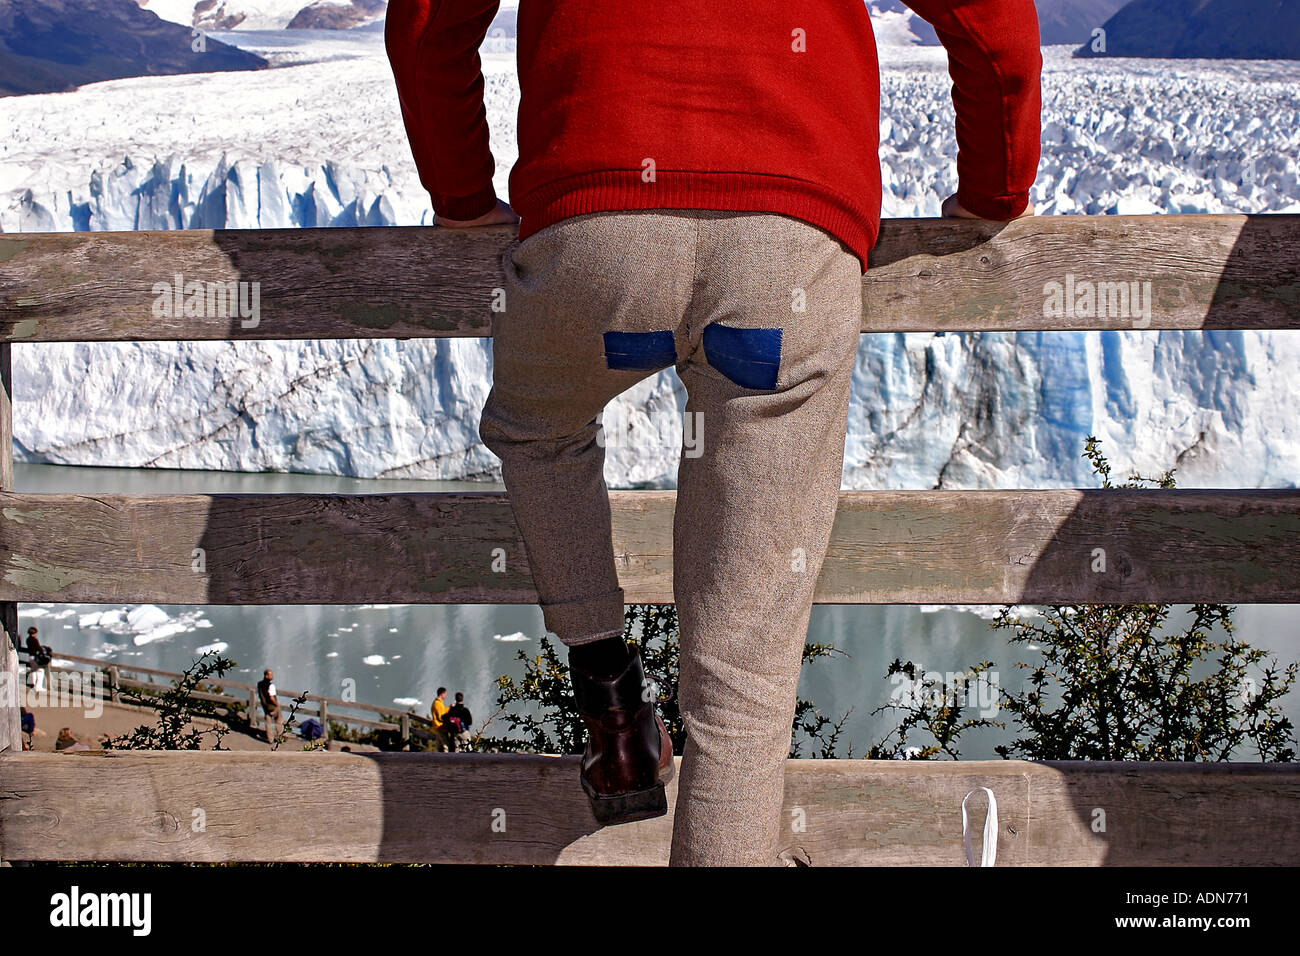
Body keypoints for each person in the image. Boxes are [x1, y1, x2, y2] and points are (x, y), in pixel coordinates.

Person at [386, 0, 1040, 865]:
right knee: (744, 675)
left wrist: (461, 193)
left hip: (595, 234)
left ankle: (610, 695)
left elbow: (429, 20)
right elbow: (991, 18)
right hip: (787, 250)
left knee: (537, 428)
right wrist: (995, 186)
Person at [256, 669, 282, 743]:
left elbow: (261, 695)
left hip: (265, 706)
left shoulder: (260, 684)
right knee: (279, 721)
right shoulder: (271, 686)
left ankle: (270, 739)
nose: (272, 676)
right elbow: (271, 697)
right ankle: (280, 737)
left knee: (268, 723)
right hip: (273, 706)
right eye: (270, 674)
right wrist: (276, 704)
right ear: (266, 675)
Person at [430, 686, 451, 752]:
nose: (445, 695)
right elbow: (441, 716)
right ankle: (445, 760)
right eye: (445, 694)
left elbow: (442, 711)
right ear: (442, 694)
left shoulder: (437, 702)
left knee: (439, 745)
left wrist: (449, 708)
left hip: (437, 726)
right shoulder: (438, 704)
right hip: (440, 726)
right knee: (445, 745)